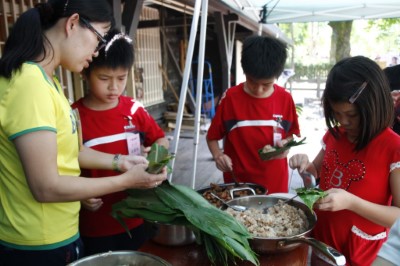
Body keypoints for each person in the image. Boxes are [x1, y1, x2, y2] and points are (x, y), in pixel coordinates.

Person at [0, 1, 166, 265]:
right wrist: (126, 181)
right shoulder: (29, 85)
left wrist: (120, 162)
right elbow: (45, 187)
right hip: (36, 243)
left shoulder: (48, 81)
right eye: (99, 37)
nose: (98, 50)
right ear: (73, 23)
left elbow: (72, 153)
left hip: (57, 234)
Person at [289, 56, 400, 265]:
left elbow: (398, 217)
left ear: (374, 105)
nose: (343, 121)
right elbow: (314, 173)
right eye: (337, 114)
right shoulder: (335, 135)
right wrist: (304, 166)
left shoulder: (393, 148)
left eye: (352, 114)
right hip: (324, 243)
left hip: (362, 254)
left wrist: (351, 202)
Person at [71, 29, 169, 255]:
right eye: (104, 79)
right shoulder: (74, 116)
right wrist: (81, 195)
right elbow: (64, 165)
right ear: (85, 72)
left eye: (121, 78)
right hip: (95, 222)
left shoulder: (134, 109)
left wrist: (155, 159)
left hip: (137, 214)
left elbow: (160, 139)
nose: (114, 87)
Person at [206, 35, 300, 193]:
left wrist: (285, 146)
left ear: (277, 77)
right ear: (244, 72)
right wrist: (218, 155)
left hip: (275, 182)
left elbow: (291, 134)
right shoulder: (230, 98)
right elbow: (212, 137)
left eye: (266, 84)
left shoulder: (285, 99)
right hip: (238, 183)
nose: (258, 89)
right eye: (252, 81)